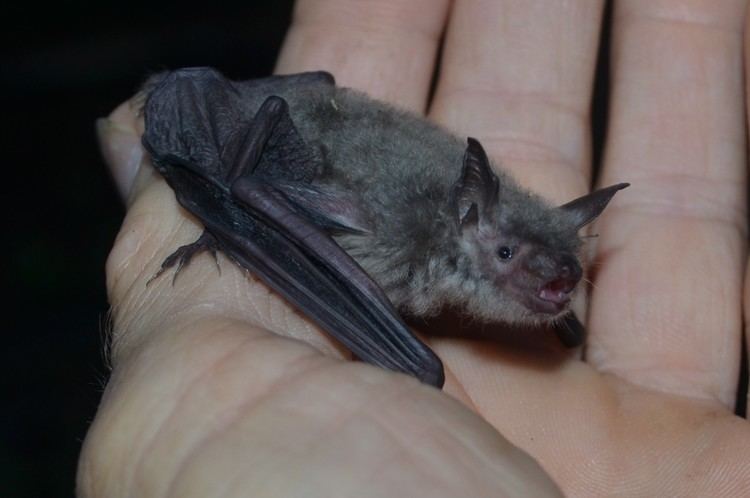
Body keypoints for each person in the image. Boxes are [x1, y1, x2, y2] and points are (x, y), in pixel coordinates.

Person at [79, 1, 750, 496]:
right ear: (469, 227)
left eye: (563, 273)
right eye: (511, 258)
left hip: (337, 142)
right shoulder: (393, 246)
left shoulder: (484, 236)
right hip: (284, 155)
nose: (550, 281)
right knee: (402, 343)